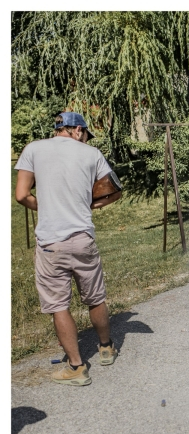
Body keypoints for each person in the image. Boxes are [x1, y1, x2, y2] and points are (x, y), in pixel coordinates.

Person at [14, 112, 122, 386]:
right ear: (76, 130)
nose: (85, 139)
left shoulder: (33, 149)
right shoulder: (91, 153)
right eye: (85, 133)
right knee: (95, 296)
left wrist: (46, 206)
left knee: (59, 305)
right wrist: (90, 205)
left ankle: (76, 367)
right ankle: (106, 347)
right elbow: (115, 190)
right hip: (83, 238)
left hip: (51, 243)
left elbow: (21, 195)